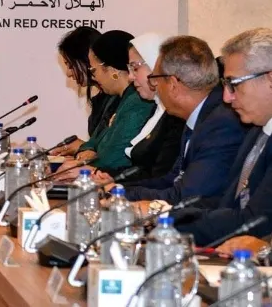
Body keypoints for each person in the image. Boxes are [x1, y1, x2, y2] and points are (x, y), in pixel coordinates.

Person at [121, 36, 248, 211]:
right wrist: (119, 190)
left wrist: (122, 195)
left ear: (173, 84)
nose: (154, 86)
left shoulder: (221, 125)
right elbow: (172, 179)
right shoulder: (198, 114)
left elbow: (184, 196)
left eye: (155, 79)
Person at [172, 28, 272, 246]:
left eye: (234, 84)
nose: (226, 97)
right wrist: (164, 214)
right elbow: (228, 202)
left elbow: (256, 222)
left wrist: (169, 222)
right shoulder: (257, 129)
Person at [57, 30, 155, 178]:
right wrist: (86, 150)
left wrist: (86, 168)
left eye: (93, 70)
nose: (93, 76)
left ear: (112, 70)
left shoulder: (137, 101)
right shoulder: (117, 98)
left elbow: (114, 159)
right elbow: (96, 141)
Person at [110, 32, 185, 183]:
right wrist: (107, 178)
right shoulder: (156, 109)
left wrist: (113, 184)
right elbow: (141, 170)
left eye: (135, 68)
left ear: (155, 65)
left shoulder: (176, 115)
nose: (130, 77)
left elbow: (161, 177)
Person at [52, 27, 120, 156]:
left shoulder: (121, 97)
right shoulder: (101, 98)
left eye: (71, 65)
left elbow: (116, 151)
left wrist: (83, 148)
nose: (68, 73)